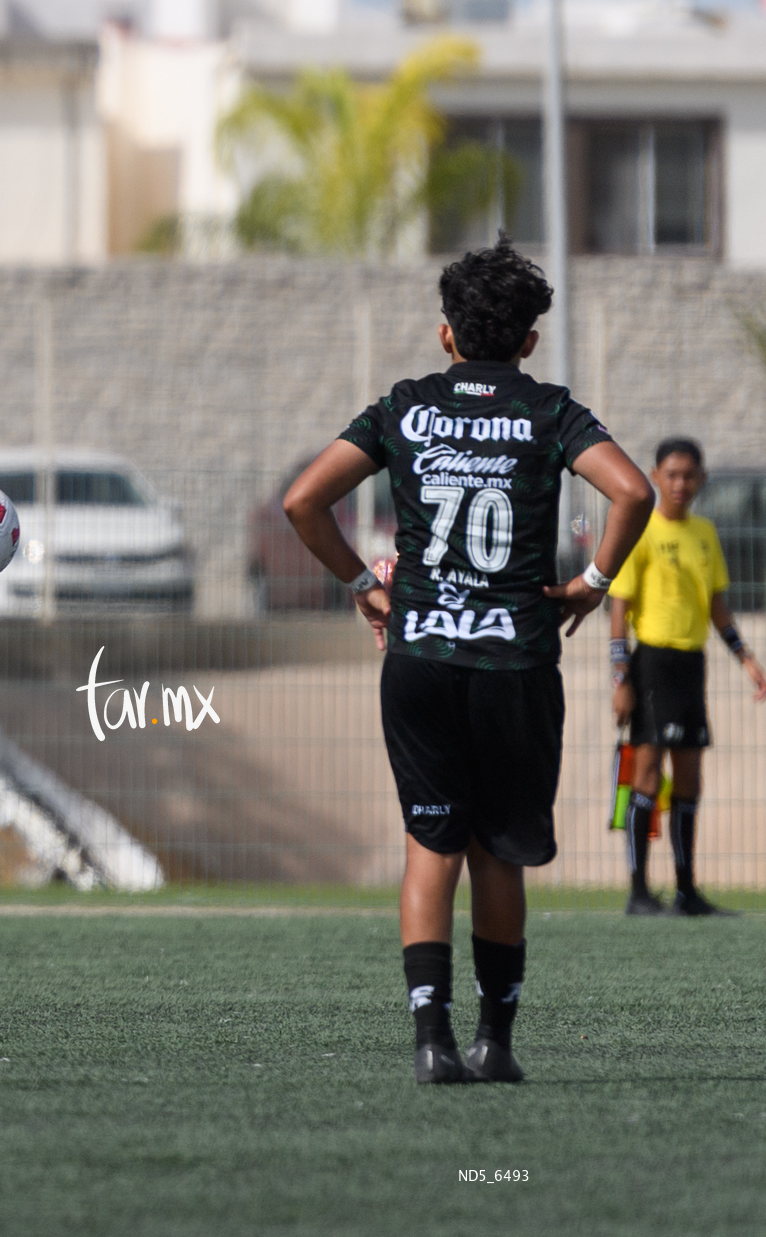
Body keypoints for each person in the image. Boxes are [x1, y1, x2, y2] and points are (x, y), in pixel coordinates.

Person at [284, 239, 653, 1085]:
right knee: (497, 854)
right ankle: (495, 1042)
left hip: (420, 658)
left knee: (429, 845)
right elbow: (633, 492)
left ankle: (430, 1043)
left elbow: (304, 500)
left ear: (446, 333)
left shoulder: (405, 407)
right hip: (516, 661)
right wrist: (594, 582)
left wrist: (359, 585)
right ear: (529, 340)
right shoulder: (549, 410)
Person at [609, 437, 765, 917]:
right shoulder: (642, 532)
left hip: (691, 666)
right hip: (652, 663)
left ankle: (686, 891)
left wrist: (745, 657)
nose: (680, 483)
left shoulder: (705, 533)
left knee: (691, 778)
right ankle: (638, 892)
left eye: (689, 475)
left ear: (701, 480)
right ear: (655, 476)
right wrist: (621, 676)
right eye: (671, 474)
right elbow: (620, 608)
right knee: (648, 776)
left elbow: (717, 605)